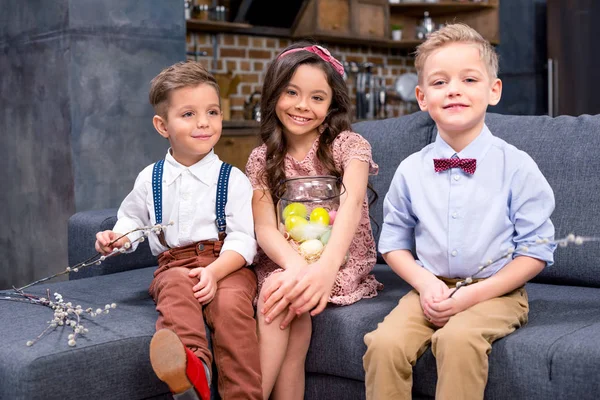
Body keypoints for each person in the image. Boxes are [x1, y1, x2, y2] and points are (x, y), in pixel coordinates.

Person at [362, 23, 557, 400]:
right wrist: (425, 284)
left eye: (469, 79)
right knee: (384, 345)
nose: (453, 89)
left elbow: (536, 250)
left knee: (457, 339)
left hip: (497, 293)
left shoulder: (516, 166)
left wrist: (472, 296)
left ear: (493, 90)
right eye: (439, 83)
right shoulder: (410, 170)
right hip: (430, 289)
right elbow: (393, 244)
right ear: (421, 97)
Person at [94, 61, 261, 400]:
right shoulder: (150, 177)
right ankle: (193, 372)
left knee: (231, 309)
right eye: (188, 114)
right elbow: (133, 220)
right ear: (162, 125)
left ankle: (244, 395)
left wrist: (214, 272)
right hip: (174, 264)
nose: (204, 122)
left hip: (226, 264)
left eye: (212, 112)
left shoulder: (233, 179)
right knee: (173, 290)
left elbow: (245, 238)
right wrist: (119, 237)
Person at [245, 42, 383, 399]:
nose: (302, 105)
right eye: (291, 92)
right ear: (274, 94)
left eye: (317, 97)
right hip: (285, 260)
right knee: (291, 307)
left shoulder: (348, 145)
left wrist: (322, 270)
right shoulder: (262, 159)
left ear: (331, 105)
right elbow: (263, 226)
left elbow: (352, 203)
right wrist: (295, 267)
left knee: (279, 297)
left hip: (339, 260)